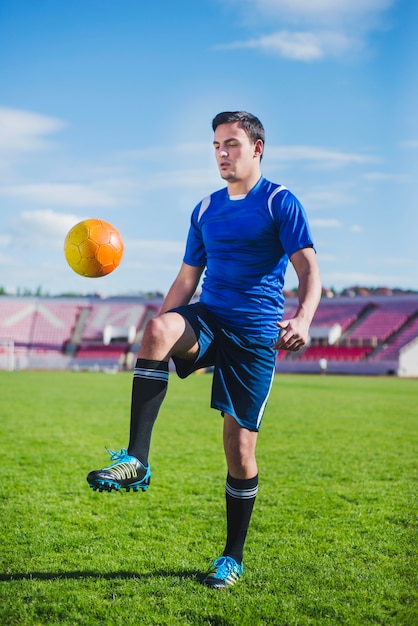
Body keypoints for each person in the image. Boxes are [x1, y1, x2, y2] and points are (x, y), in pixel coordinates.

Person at [87, 111, 322, 589]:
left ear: (257, 148)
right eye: (216, 144)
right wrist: (160, 334)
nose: (222, 153)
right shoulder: (204, 209)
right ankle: (137, 461)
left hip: (254, 337)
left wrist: (302, 318)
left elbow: (309, 272)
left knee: (239, 450)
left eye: (232, 144)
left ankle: (232, 556)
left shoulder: (280, 202)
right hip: (210, 320)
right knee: (156, 329)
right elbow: (186, 279)